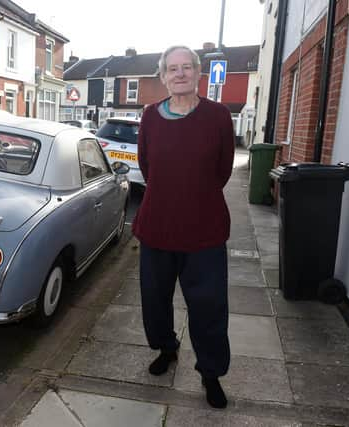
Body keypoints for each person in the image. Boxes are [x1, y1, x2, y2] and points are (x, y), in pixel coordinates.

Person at [132, 45, 235, 409]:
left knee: (209, 307)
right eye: (172, 69)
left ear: (197, 72)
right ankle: (166, 348)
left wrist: (195, 195)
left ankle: (211, 373)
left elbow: (222, 170)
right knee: (155, 301)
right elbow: (147, 168)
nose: (179, 74)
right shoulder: (150, 117)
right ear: (163, 76)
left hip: (204, 231)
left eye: (186, 67)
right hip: (157, 227)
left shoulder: (219, 115)